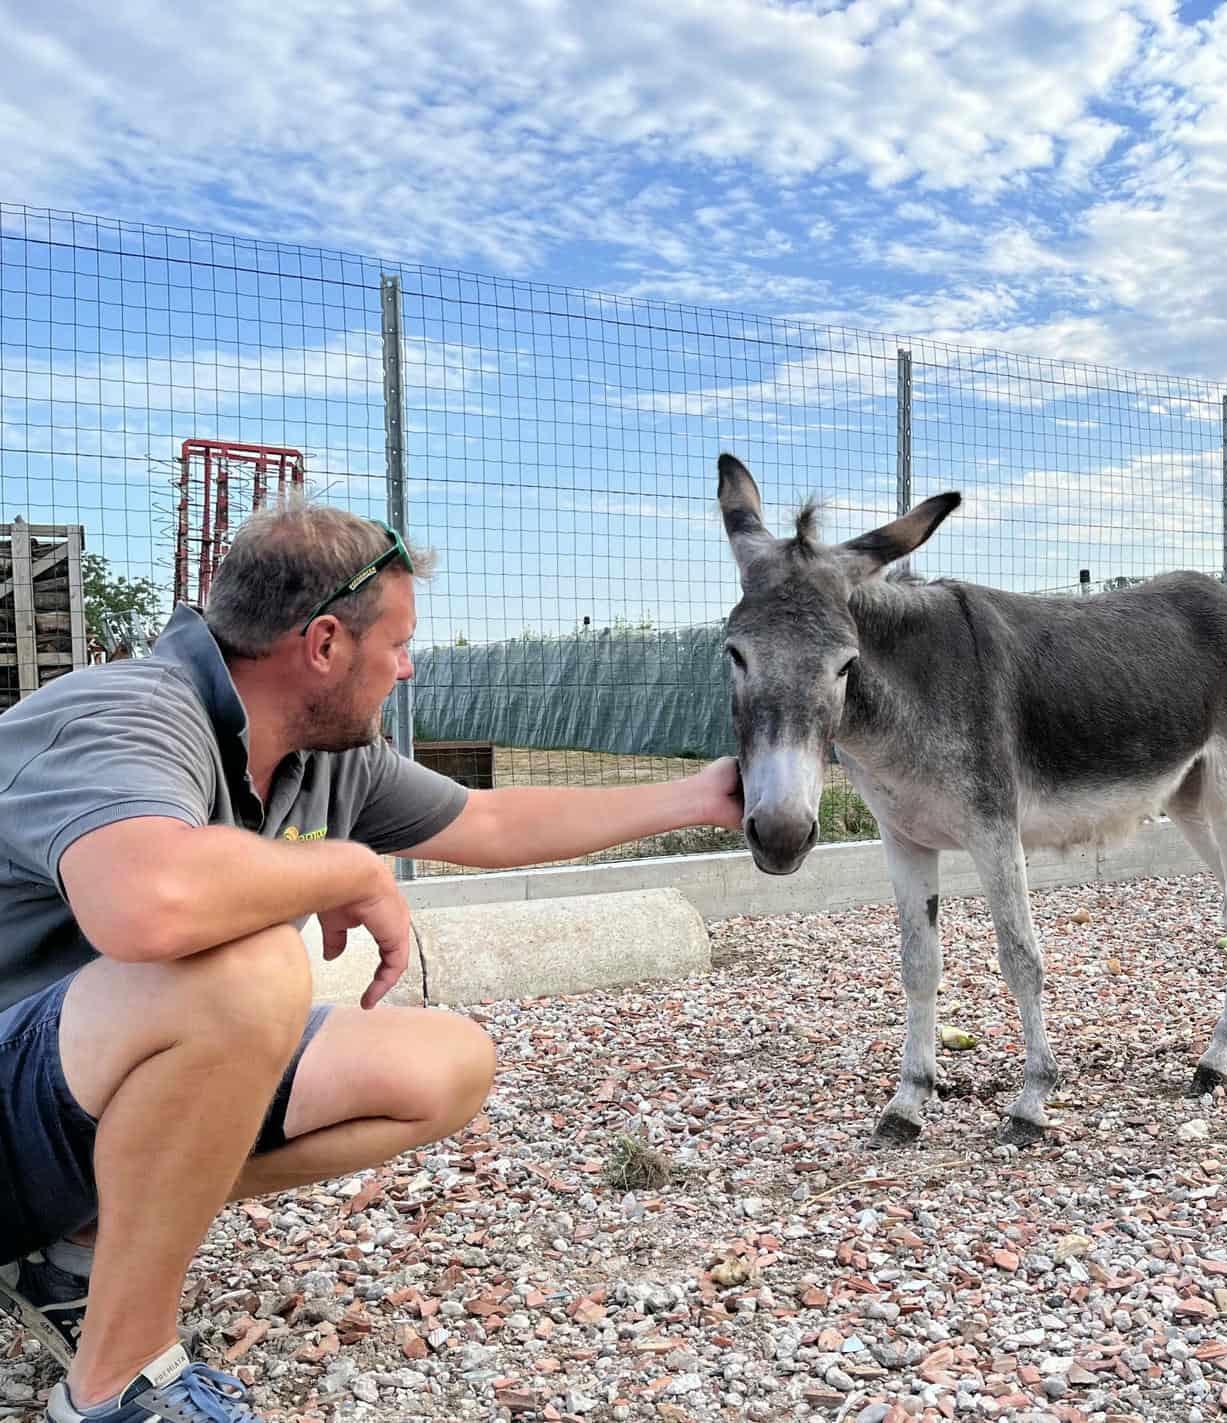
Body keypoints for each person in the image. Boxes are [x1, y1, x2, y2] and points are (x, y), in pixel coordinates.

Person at [0, 500, 744, 1422]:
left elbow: (490, 820)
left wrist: (701, 795)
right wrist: (346, 865)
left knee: (444, 1062)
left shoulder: (323, 757)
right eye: (396, 643)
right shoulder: (125, 712)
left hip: (79, 1090)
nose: (408, 665)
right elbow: (149, 904)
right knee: (247, 966)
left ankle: (75, 1243)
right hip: (13, 1088)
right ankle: (118, 1383)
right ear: (322, 644)